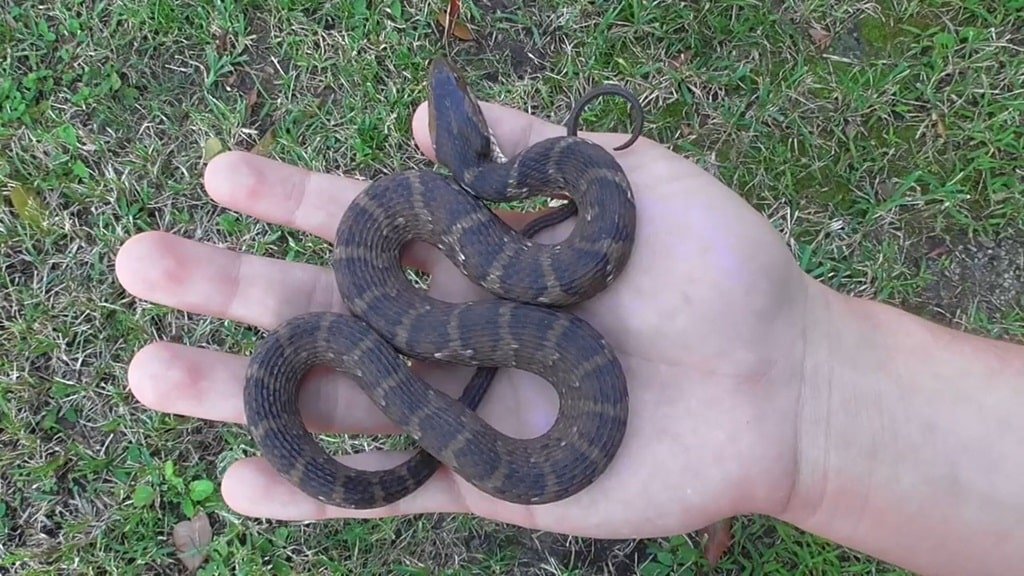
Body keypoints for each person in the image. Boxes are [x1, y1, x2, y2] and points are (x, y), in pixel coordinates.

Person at [115, 98, 1024, 576]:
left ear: (480, 177)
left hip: (529, 354)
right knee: (328, 343)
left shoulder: (573, 180)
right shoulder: (429, 213)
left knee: (392, 347)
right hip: (454, 303)